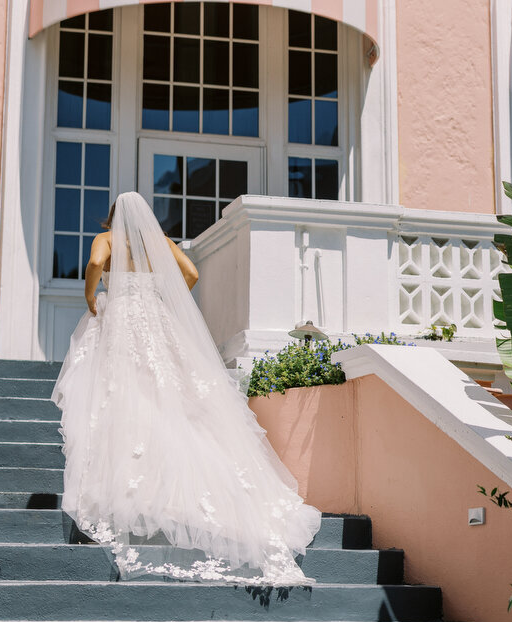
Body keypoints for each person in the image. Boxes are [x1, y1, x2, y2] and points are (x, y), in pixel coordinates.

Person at [52, 191, 321, 584]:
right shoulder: (158, 243)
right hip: (154, 316)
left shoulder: (108, 240)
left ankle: (132, 485)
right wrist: (161, 293)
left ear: (112, 217)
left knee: (127, 390)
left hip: (123, 316)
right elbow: (191, 274)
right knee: (172, 392)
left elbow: (94, 263)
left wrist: (92, 294)